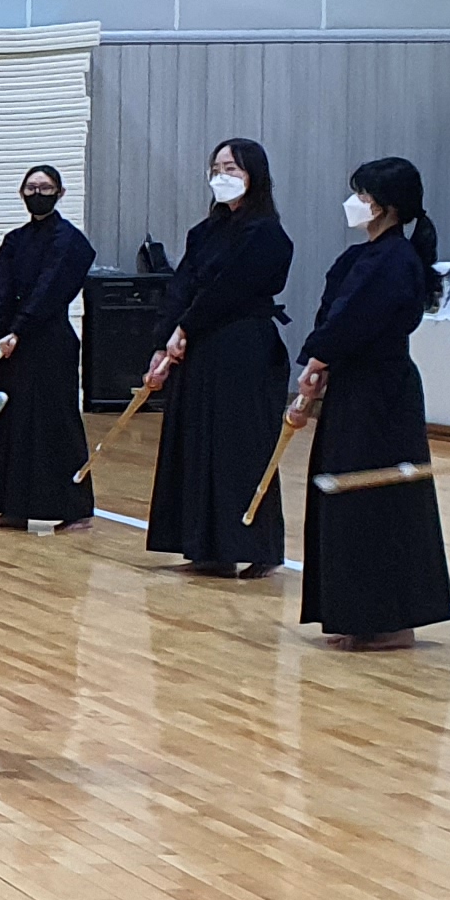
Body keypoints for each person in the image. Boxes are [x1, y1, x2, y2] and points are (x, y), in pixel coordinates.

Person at [290, 155, 450, 647]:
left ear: (384, 206)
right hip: (349, 388)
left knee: (378, 502)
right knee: (341, 498)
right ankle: (353, 612)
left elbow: (357, 321)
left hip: (383, 396)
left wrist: (318, 360)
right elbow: (332, 315)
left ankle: (391, 619)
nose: (354, 203)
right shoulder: (358, 258)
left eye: (362, 195)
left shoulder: (397, 261)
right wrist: (319, 367)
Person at [142, 137, 292, 577]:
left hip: (243, 348)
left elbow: (232, 288)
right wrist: (163, 340)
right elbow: (182, 286)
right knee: (197, 442)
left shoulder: (266, 234)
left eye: (232, 169)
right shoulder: (203, 233)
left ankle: (257, 546)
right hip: (199, 349)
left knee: (240, 445)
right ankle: (206, 546)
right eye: (217, 169)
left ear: (254, 176)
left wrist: (186, 327)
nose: (222, 176)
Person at [0, 163, 94, 532]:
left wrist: (19, 330)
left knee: (56, 422)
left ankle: (75, 508)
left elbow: (50, 289)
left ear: (60, 193)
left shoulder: (70, 241)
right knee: (8, 421)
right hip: (12, 347)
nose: (38, 194)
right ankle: (12, 507)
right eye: (31, 188)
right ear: (22, 193)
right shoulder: (15, 240)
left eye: (45, 188)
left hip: (50, 343)